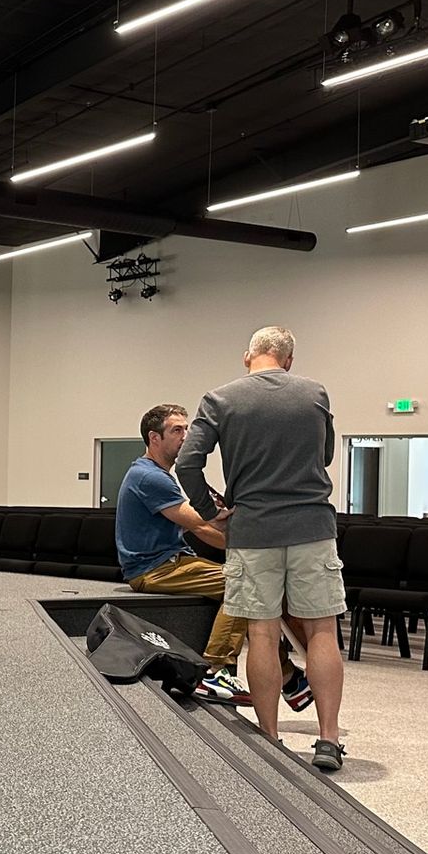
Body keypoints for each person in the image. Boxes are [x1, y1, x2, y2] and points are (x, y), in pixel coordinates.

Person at [175, 326, 346, 770]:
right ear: (288, 360)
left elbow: (187, 461)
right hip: (312, 526)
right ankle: (328, 740)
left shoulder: (220, 399)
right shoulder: (315, 394)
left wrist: (208, 510)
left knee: (262, 635)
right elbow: (325, 456)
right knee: (321, 632)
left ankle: (270, 739)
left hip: (252, 532)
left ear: (247, 356)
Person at [115, 403, 310, 709]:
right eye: (177, 430)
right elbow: (200, 523)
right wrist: (246, 540)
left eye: (187, 429)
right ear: (154, 438)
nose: (186, 436)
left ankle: (288, 678)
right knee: (244, 581)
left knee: (250, 579)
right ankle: (215, 673)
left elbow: (203, 530)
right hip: (154, 569)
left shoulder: (156, 475)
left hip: (173, 561)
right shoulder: (149, 477)